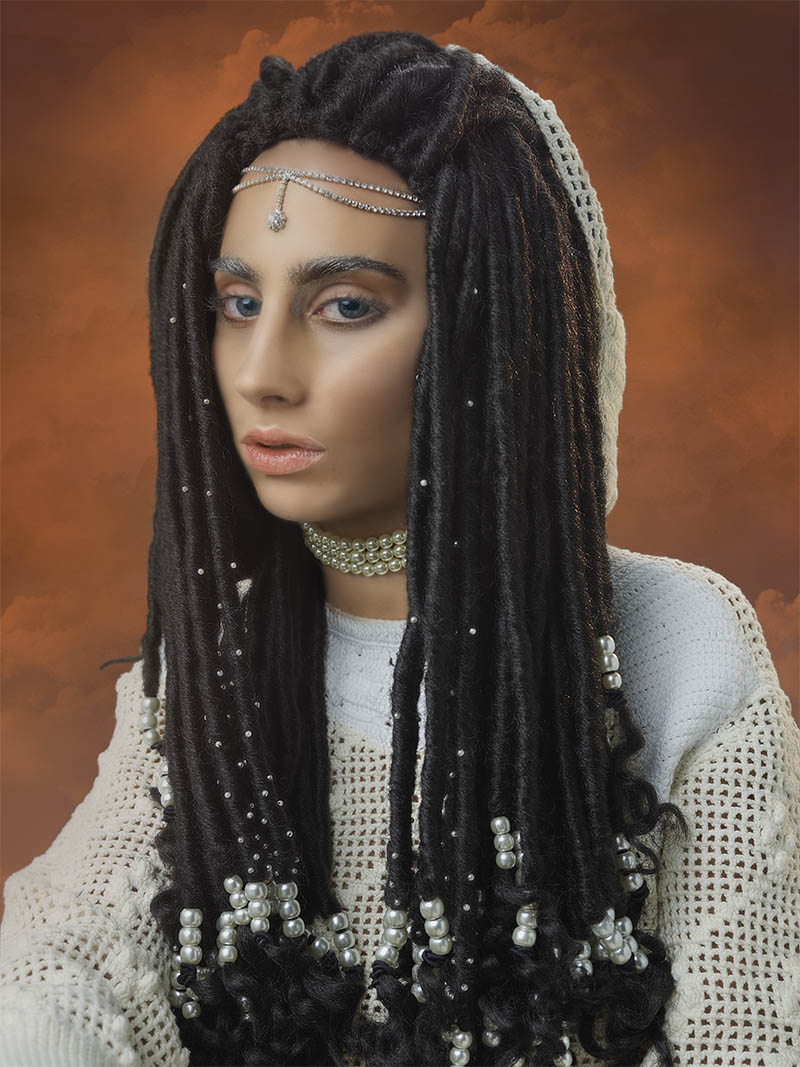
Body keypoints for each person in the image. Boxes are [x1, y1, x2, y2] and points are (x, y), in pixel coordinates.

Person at [1, 29, 797, 1067]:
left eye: (344, 305)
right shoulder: (199, 682)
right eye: (238, 303)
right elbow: (58, 969)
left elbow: (749, 1032)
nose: (261, 371)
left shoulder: (678, 649)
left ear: (490, 328)